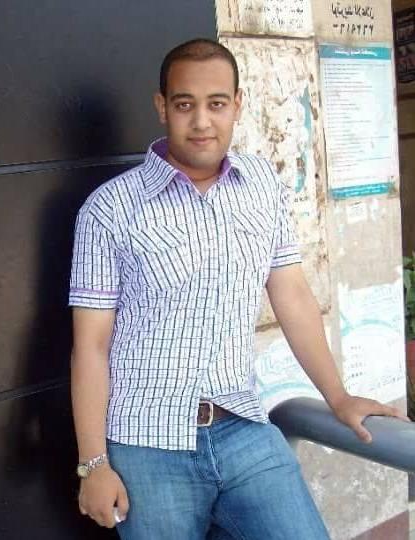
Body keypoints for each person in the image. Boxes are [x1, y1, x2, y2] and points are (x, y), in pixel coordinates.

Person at [68, 38, 408, 540]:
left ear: (238, 105)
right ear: (162, 107)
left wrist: (338, 397)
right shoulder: (110, 209)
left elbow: (292, 295)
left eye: (217, 103)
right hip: (146, 445)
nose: (201, 121)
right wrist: (93, 463)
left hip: (244, 429)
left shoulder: (262, 185)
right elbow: (91, 345)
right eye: (185, 104)